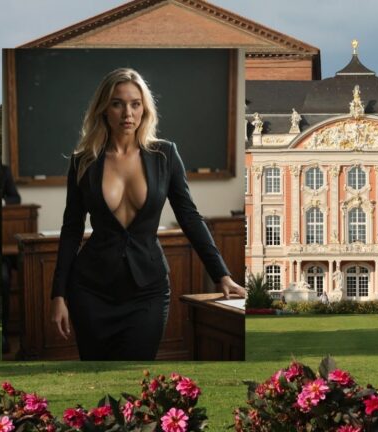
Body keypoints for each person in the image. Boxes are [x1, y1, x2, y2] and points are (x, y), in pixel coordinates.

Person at [50, 68, 245, 361]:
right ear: (104, 108)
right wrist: (58, 296)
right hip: (90, 289)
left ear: (145, 108)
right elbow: (71, 229)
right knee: (97, 379)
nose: (127, 112)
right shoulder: (84, 161)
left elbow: (189, 217)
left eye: (135, 103)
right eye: (117, 103)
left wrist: (222, 274)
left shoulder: (164, 155)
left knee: (138, 376)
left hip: (148, 290)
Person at [2, 164, 21, 353]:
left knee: (3, 277)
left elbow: (16, 198)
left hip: (1, 255)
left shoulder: (3, 171)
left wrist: (2, 201)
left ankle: (3, 334)